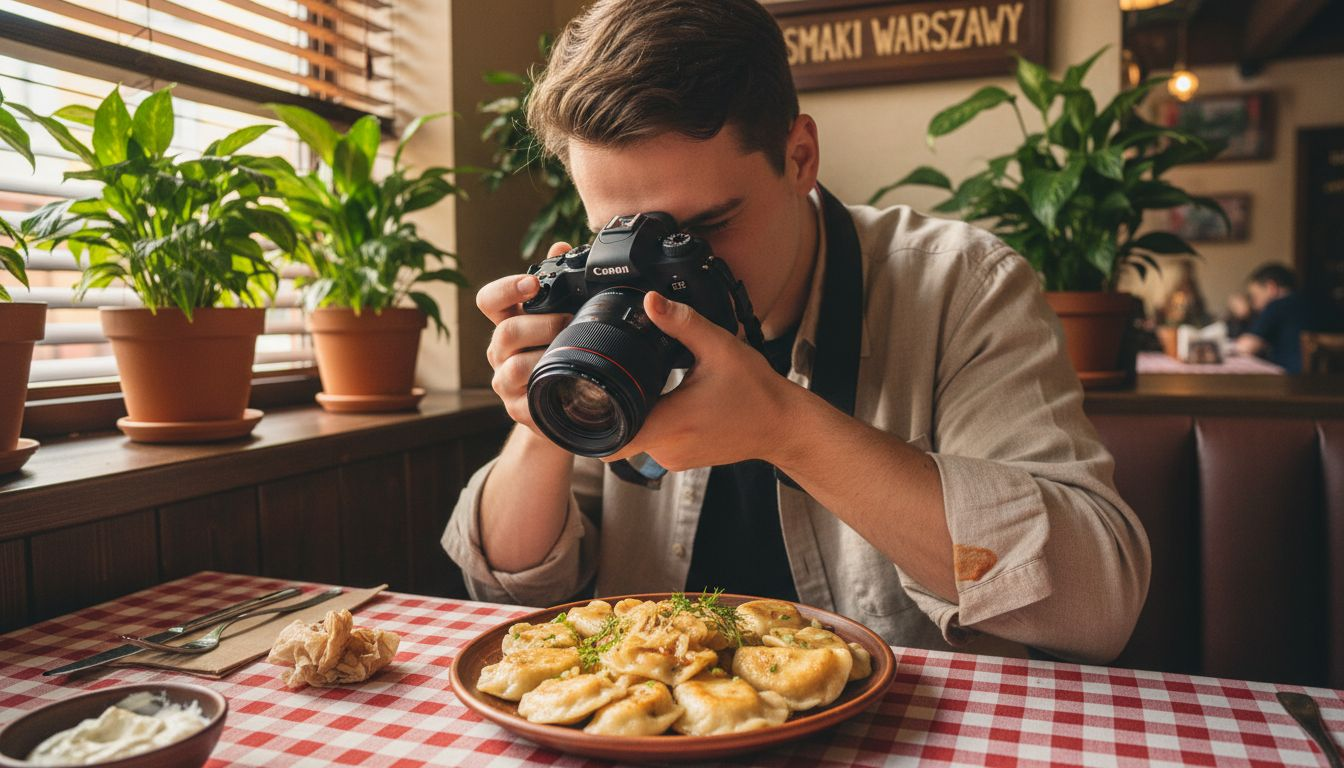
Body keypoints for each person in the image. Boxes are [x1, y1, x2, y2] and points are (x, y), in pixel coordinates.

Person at [443, 0, 1150, 664]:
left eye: (703, 230)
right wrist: (548, 409)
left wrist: (787, 429)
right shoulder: (612, 300)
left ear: (801, 157)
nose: (659, 274)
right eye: (620, 235)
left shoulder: (958, 284)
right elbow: (510, 586)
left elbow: (1096, 607)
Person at [1235, 263, 1327, 373]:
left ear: (1271, 287)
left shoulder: (1277, 305)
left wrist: (1244, 316)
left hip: (1291, 382)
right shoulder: (1321, 303)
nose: (1254, 305)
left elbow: (1245, 347)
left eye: (1255, 297)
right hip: (1330, 382)